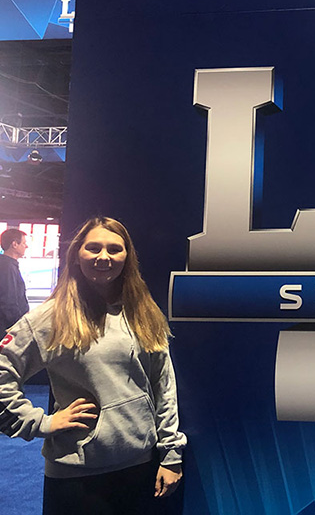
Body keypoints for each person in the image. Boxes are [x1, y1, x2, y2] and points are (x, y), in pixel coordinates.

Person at [0, 217, 186, 514]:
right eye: (94, 248)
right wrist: (42, 422)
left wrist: (171, 453)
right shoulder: (52, 317)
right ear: (77, 254)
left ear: (127, 257)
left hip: (141, 467)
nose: (104, 257)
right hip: (76, 476)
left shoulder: (143, 312)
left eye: (114, 249)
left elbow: (163, 385)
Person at [0, 228, 29, 331]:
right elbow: (8, 301)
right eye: (24, 243)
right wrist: (19, 327)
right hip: (8, 329)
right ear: (14, 244)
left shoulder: (7, 265)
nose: (26, 246)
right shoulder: (7, 267)